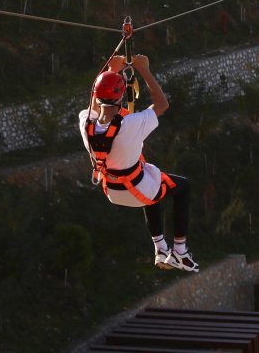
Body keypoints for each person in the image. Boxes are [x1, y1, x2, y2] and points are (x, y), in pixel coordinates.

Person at [79, 54, 198, 272]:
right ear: (120, 97)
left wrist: (111, 71)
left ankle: (161, 248)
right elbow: (162, 104)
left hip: (112, 191)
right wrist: (144, 70)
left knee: (153, 181)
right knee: (182, 187)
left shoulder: (85, 124)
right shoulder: (131, 125)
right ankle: (180, 251)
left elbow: (93, 104)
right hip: (137, 189)